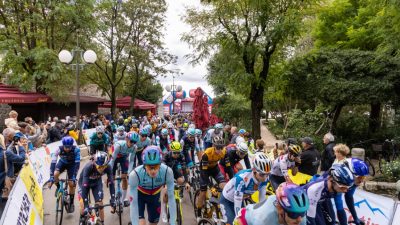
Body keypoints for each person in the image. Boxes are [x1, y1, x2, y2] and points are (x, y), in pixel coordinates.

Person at [129, 146, 176, 225]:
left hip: (155, 197)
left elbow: (171, 198)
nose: (153, 171)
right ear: (144, 165)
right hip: (139, 196)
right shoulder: (135, 174)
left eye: (156, 166)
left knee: (153, 223)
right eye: (149, 167)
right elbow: (133, 203)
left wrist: (173, 223)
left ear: (160, 164)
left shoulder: (167, 172)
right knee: (141, 223)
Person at [220, 152, 272, 225]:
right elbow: (237, 206)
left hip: (240, 199)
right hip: (227, 199)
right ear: (254, 170)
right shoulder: (242, 178)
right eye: (262, 174)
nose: (265, 177)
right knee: (233, 222)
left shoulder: (265, 178)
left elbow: (262, 200)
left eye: (267, 174)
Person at [234, 182, 309, 225]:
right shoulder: (263, 220)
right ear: (280, 209)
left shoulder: (299, 216)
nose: (299, 219)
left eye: (302, 213)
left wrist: (297, 215)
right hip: (243, 219)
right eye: (293, 214)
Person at [196, 136, 232, 216]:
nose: (220, 150)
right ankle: (198, 214)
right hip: (204, 171)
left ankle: (217, 206)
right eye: (218, 148)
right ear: (214, 146)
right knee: (203, 191)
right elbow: (204, 173)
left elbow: (228, 167)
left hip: (215, 169)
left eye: (221, 147)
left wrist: (232, 179)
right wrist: (210, 186)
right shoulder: (207, 154)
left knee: (224, 186)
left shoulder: (224, 152)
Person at [78, 152, 115, 224]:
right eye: (99, 167)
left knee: (100, 203)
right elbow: (84, 186)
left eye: (103, 167)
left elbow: (111, 183)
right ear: (95, 163)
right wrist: (86, 205)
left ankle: (102, 222)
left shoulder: (108, 167)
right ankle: (82, 218)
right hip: (84, 182)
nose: (101, 169)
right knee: (82, 206)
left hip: (96, 182)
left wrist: (113, 199)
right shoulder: (88, 167)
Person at [48, 136, 80, 212]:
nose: (68, 149)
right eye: (66, 147)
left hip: (72, 165)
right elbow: (53, 163)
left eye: (69, 147)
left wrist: (74, 176)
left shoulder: (76, 150)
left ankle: (71, 203)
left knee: (71, 184)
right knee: (55, 174)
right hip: (62, 163)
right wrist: (51, 177)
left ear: (72, 146)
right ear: (63, 145)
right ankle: (58, 187)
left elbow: (77, 165)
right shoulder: (58, 149)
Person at [334, 158, 369, 225]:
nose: (361, 181)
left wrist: (355, 218)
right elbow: (339, 205)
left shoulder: (354, 179)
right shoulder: (341, 179)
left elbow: (349, 197)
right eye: (360, 177)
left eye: (363, 177)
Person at [109, 132, 138, 207]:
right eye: (131, 141)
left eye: (135, 142)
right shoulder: (119, 145)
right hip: (115, 156)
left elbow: (131, 160)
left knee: (124, 177)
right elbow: (112, 159)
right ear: (126, 139)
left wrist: (129, 172)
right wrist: (109, 172)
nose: (132, 144)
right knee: (111, 177)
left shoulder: (134, 147)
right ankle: (112, 196)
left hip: (123, 157)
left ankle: (122, 200)